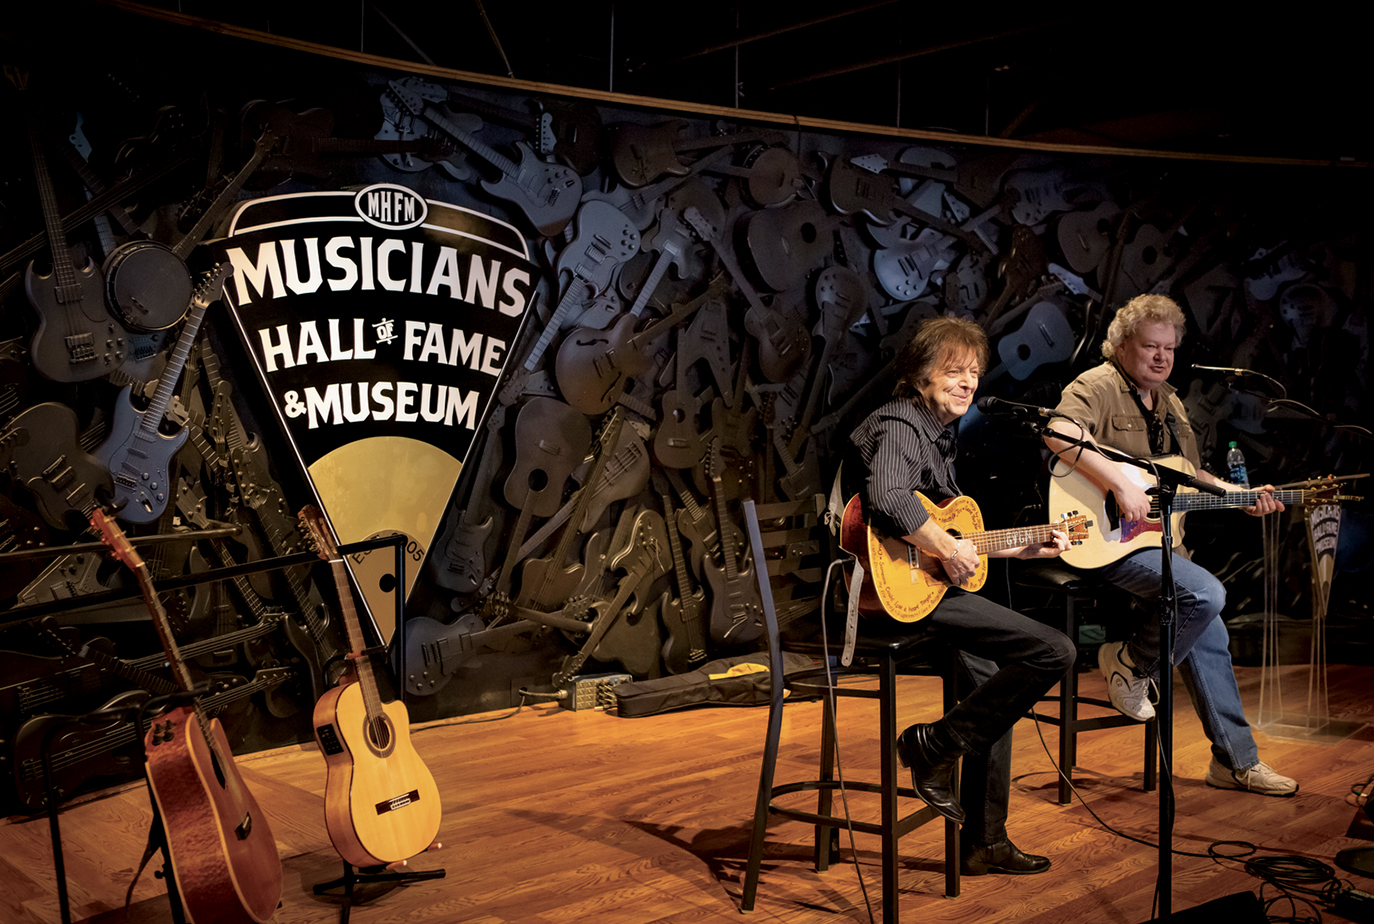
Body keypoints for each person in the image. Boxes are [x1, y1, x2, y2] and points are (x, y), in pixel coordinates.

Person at [849, 315, 1077, 876]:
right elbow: (889, 500)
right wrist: (949, 549)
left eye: (973, 372)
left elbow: (954, 538)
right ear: (919, 375)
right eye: (953, 371)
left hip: (923, 591)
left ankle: (985, 841)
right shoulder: (902, 423)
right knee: (1054, 650)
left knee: (993, 691)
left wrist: (1023, 547)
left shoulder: (937, 435)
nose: (968, 382)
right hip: (883, 596)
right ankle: (932, 746)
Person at [1045, 293, 1297, 797]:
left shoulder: (1172, 403)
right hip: (1103, 538)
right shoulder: (1097, 385)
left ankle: (1235, 762)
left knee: (1210, 629)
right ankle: (1131, 663)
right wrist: (1119, 484)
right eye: (1150, 347)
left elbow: (1191, 475)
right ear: (1121, 345)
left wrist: (1241, 498)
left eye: (1169, 348)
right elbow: (1059, 432)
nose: (1161, 357)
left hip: (1158, 543)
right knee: (1205, 595)